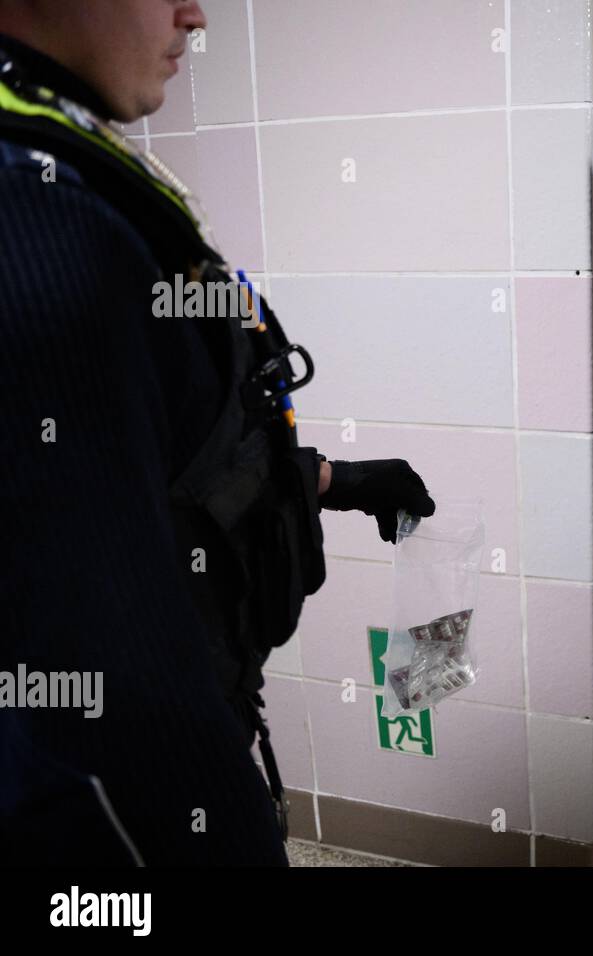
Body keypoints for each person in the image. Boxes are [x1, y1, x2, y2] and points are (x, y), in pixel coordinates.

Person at [0, 0, 433, 865]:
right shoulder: (31, 214)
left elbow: (153, 470)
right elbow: (105, 684)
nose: (196, 14)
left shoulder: (68, 167)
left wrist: (330, 482)